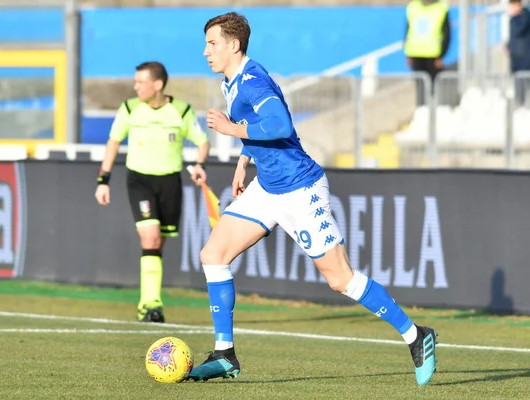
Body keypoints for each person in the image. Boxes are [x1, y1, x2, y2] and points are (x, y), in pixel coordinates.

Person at [188, 12, 438, 387]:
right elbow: (262, 131)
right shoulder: (233, 80)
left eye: (212, 43)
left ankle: (416, 335)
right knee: (213, 255)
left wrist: (230, 128)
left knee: (341, 279)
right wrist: (244, 161)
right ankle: (225, 354)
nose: (205, 51)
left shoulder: (253, 82)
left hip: (300, 188)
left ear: (234, 45)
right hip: (268, 186)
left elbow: (280, 126)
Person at [95, 61, 209, 323]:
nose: (135, 87)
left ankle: (152, 302)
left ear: (157, 84)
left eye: (140, 82)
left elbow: (202, 142)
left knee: (157, 244)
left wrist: (200, 165)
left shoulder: (181, 111)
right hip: (139, 180)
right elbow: (113, 141)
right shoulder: (129, 108)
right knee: (150, 237)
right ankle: (149, 304)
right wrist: (104, 179)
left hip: (169, 182)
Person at [404, 0, 451, 106]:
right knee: (419, 87)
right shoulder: (413, 7)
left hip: (433, 55)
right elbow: (408, 31)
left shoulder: (441, 8)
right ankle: (421, 110)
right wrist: (408, 54)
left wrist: (441, 55)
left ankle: (432, 111)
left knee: (433, 87)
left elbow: (446, 34)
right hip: (415, 53)